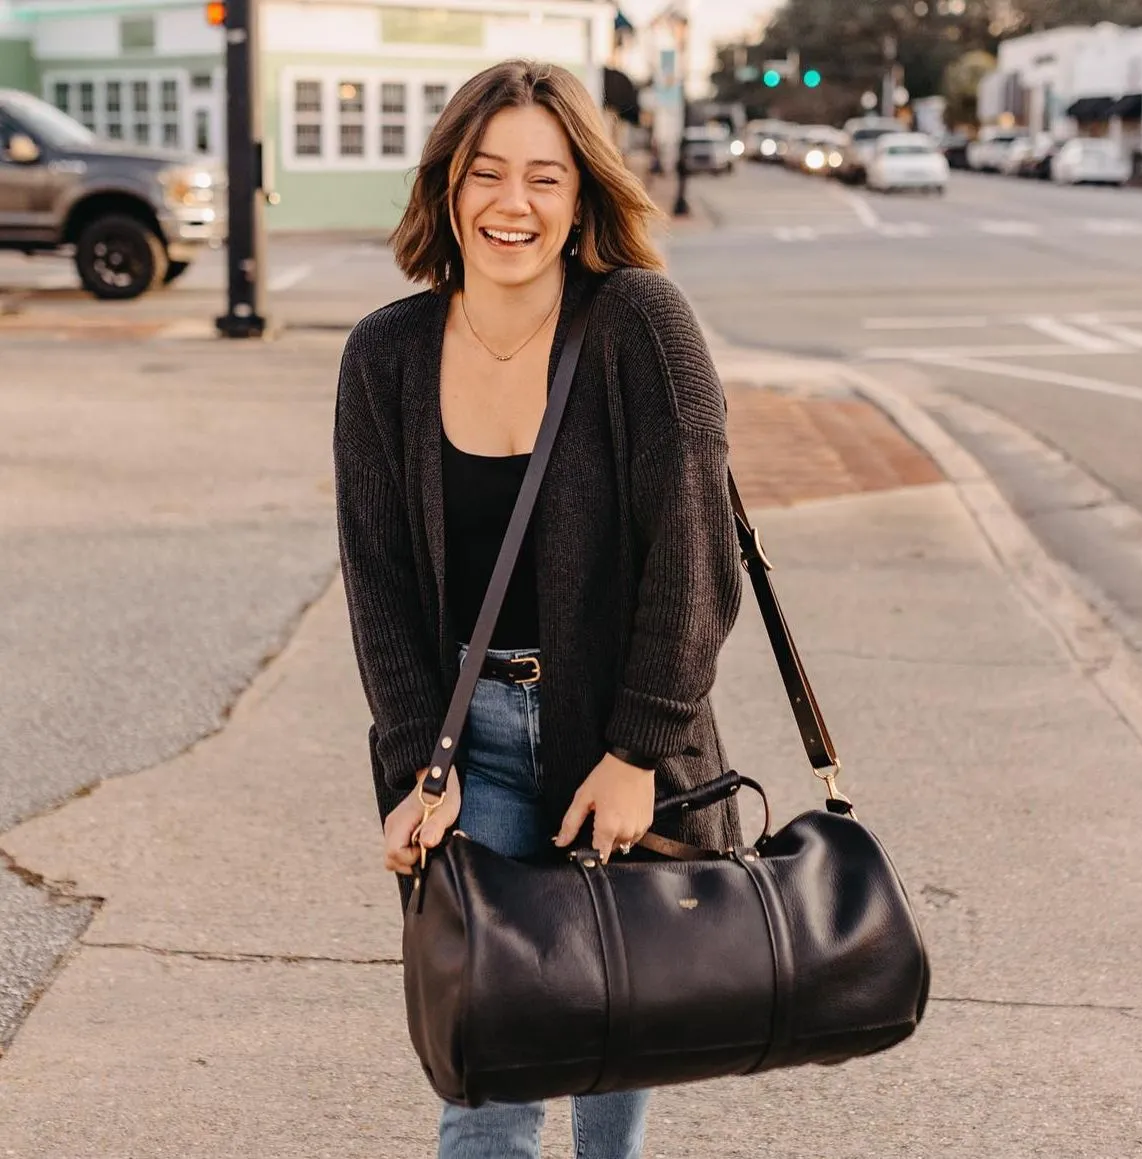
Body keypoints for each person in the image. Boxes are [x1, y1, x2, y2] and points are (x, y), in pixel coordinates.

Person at [333, 58, 743, 1159]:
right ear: (447, 187)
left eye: (544, 179)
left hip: (622, 725)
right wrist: (420, 764)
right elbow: (376, 582)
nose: (511, 204)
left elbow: (694, 556)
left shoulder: (641, 324)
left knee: (625, 1026)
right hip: (475, 744)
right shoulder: (385, 354)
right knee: (492, 1073)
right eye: (486, 173)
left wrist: (636, 749)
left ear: (582, 197)